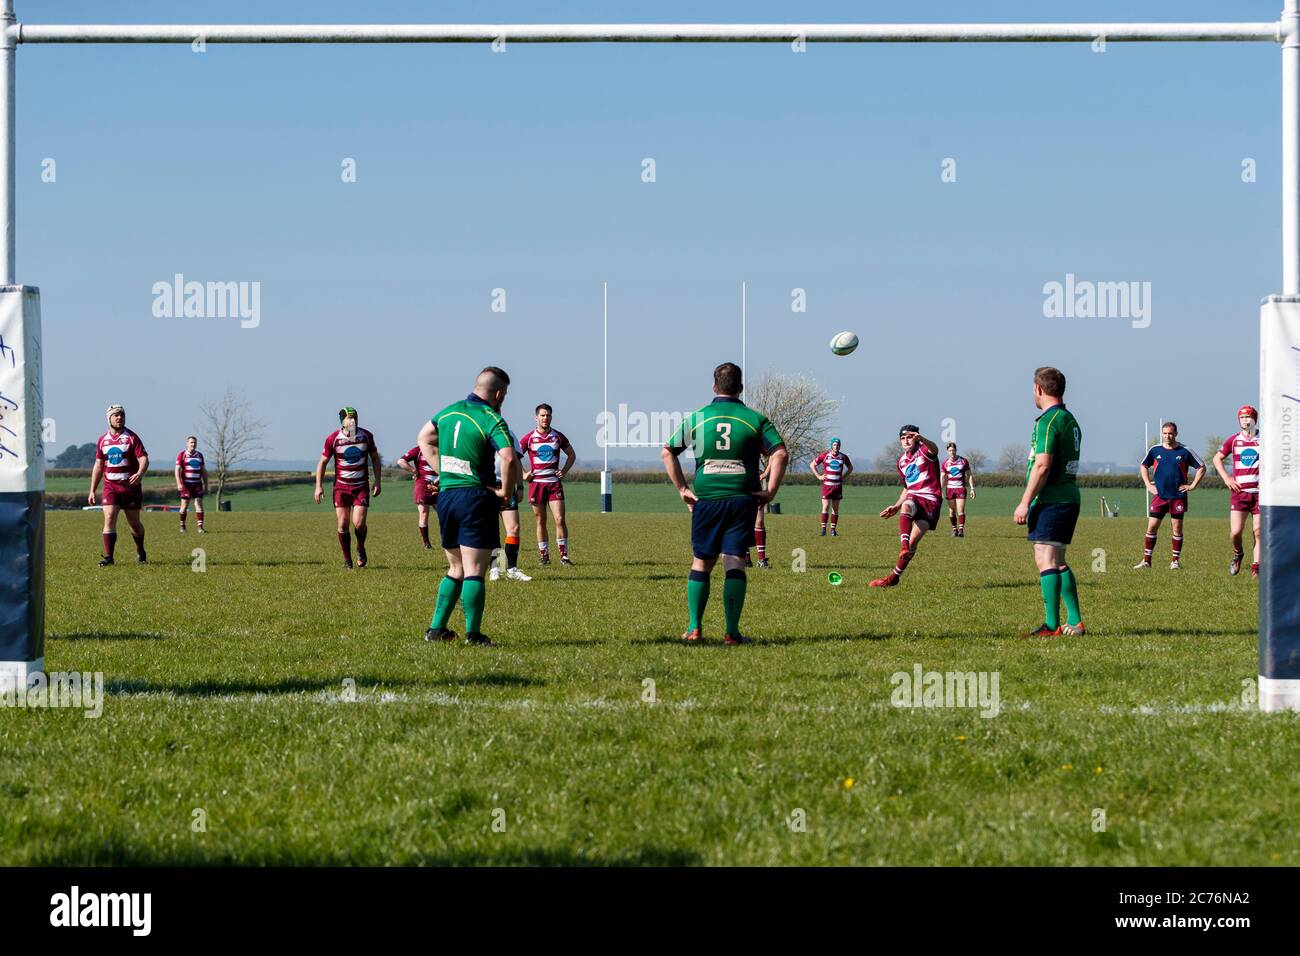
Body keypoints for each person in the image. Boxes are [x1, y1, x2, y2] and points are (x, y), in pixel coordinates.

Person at [662, 362, 788, 644]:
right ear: (741, 388)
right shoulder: (755, 419)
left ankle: (694, 628)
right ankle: (731, 633)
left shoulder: (698, 418)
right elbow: (779, 454)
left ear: (713, 387)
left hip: (706, 500)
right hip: (742, 500)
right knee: (734, 561)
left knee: (702, 562)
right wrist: (770, 492)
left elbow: (667, 451)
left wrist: (683, 488)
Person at [419, 367, 520, 646]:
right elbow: (509, 457)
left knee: (456, 568)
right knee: (475, 569)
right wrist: (506, 490)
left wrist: (446, 472)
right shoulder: (491, 418)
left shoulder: (447, 412)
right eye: (505, 395)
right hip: (475, 498)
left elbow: (423, 439)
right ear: (498, 393)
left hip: (447, 498)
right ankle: (473, 635)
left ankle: (436, 630)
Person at [1014, 367, 1084, 637]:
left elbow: (1042, 466)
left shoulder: (1048, 420)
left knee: (1045, 558)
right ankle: (1075, 622)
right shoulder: (1070, 419)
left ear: (1039, 389)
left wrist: (1024, 501)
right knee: (1058, 559)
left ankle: (1052, 625)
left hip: (1053, 499)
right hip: (1068, 497)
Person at [870, 426, 941, 587]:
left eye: (909, 437)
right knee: (907, 505)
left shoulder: (924, 451)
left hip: (931, 501)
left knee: (912, 544)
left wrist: (922, 438)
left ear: (916, 438)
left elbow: (935, 449)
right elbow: (907, 488)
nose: (906, 441)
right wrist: (896, 506)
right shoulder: (901, 462)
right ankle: (902, 548)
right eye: (903, 438)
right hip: (914, 497)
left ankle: (893, 578)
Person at [314, 406, 381, 570]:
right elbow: (322, 462)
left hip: (360, 487)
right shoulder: (333, 439)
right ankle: (347, 561)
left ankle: (360, 547)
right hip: (341, 487)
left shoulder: (366, 436)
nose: (352, 421)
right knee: (343, 523)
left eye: (354, 418)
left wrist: (377, 481)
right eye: (349, 419)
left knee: (359, 523)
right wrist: (318, 486)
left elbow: (375, 458)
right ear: (342, 422)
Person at [1134, 422, 1205, 570]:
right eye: (1165, 433)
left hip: (1178, 496)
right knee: (1152, 527)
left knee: (1177, 529)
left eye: (1170, 433)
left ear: (1176, 434)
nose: (1168, 436)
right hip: (1159, 496)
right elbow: (1143, 466)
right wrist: (1148, 484)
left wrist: (1192, 485)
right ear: (1162, 434)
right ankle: (1146, 561)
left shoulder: (1185, 450)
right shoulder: (1155, 450)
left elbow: (1202, 467)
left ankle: (1175, 561)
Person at [88, 404, 149, 566]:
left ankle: (140, 550)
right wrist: (92, 490)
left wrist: (139, 473)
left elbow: (143, 458)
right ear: (109, 418)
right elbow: (99, 466)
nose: (119, 417)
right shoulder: (103, 441)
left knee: (134, 524)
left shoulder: (131, 437)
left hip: (130, 487)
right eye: (115, 415)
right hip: (110, 486)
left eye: (121, 415)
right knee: (109, 518)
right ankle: (109, 558)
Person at [519, 404, 577, 566]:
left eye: (548, 415)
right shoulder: (529, 438)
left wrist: (564, 471)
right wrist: (524, 473)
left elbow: (571, 454)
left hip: (553, 484)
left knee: (559, 518)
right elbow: (515, 457)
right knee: (541, 520)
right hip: (536, 484)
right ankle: (544, 556)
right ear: (536, 417)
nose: (546, 418)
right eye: (543, 415)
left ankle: (564, 556)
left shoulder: (557, 436)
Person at [1213, 405, 1261, 578]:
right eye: (1242, 417)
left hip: (1260, 493)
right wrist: (1227, 478)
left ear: (1255, 419)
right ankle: (1238, 554)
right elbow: (1217, 458)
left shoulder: (1265, 439)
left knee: (1258, 531)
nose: (1245, 420)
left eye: (1248, 417)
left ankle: (1256, 567)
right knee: (1236, 532)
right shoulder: (1233, 440)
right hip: (1240, 493)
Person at [490, 424, 532, 582]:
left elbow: (516, 461)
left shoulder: (508, 432)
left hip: (507, 485)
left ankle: (512, 569)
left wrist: (520, 486)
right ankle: (496, 568)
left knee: (513, 528)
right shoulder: (480, 430)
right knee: (493, 530)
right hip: (488, 486)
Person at [396, 444, 439, 549]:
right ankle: (426, 543)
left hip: (439, 485)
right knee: (424, 513)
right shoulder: (418, 450)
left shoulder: (443, 447)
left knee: (444, 513)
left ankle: (449, 540)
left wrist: (438, 481)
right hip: (423, 485)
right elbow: (401, 461)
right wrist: (413, 470)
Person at [811, 438, 853, 536]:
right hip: (827, 486)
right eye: (834, 445)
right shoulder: (825, 456)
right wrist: (819, 476)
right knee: (825, 506)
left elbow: (850, 468)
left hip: (837, 486)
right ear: (831, 446)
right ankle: (823, 529)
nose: (836, 447)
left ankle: (833, 530)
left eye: (838, 445)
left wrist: (844, 476)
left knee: (835, 508)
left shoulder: (843, 457)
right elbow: (812, 465)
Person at [174, 435, 208, 533]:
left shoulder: (200, 455)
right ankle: (182, 526)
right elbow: (177, 470)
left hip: (197, 483)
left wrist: (206, 485)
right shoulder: (182, 455)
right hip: (186, 484)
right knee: (184, 505)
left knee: (199, 503)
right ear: (187, 443)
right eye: (191, 442)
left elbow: (203, 471)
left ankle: (200, 527)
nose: (193, 444)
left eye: (195, 442)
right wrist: (179, 483)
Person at [942, 442, 975, 537]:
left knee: (960, 509)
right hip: (950, 489)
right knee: (951, 511)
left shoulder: (963, 461)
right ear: (947, 451)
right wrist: (940, 490)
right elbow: (942, 477)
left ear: (956, 450)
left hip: (960, 488)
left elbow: (969, 475)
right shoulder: (945, 463)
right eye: (950, 451)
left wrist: (972, 488)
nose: (952, 452)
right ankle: (954, 530)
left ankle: (961, 530)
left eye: (953, 450)